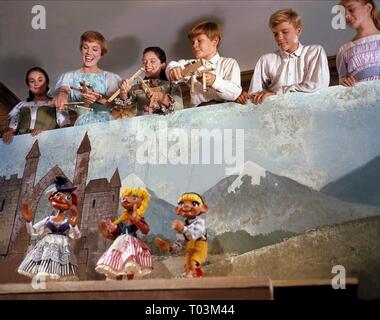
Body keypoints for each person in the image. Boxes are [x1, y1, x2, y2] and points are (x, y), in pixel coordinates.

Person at [237, 8, 330, 105]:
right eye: (275, 34)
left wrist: (277, 94)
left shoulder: (315, 52)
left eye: (285, 32)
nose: (279, 38)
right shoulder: (265, 60)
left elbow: (317, 86)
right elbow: (254, 95)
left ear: (298, 30)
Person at [51, 31, 121, 125]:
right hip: (76, 127)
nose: (89, 52)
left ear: (102, 52)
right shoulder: (68, 76)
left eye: (95, 49)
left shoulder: (110, 77)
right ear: (81, 49)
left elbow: (113, 103)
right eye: (85, 47)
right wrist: (62, 96)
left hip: (106, 126)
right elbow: (64, 90)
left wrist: (97, 98)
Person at [17, 176, 81, 281]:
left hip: (62, 247)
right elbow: (32, 232)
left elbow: (76, 236)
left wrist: (73, 225)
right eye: (59, 195)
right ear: (52, 197)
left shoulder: (68, 220)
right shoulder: (48, 219)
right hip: (47, 247)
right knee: (44, 274)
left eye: (68, 198)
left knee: (58, 275)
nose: (62, 199)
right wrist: (28, 221)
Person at [166, 21, 242, 107]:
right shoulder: (191, 64)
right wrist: (173, 69)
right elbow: (172, 65)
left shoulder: (229, 64)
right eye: (192, 42)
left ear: (215, 41)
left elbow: (235, 93)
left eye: (199, 41)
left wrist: (215, 81)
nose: (194, 45)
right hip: (198, 116)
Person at [95, 187, 153, 280]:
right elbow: (118, 233)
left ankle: (129, 283)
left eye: (133, 198)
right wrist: (113, 229)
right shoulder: (123, 219)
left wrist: (136, 220)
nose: (126, 199)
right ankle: (119, 283)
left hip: (131, 242)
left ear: (141, 202)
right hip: (120, 241)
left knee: (130, 262)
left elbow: (145, 230)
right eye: (124, 197)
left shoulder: (138, 217)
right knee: (118, 261)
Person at [2, 67, 69, 144]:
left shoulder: (56, 103)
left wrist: (45, 134)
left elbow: (65, 128)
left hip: (47, 143)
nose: (36, 84)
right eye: (32, 81)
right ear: (28, 85)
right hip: (22, 145)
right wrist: (8, 134)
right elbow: (11, 130)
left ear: (47, 82)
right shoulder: (21, 105)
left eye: (40, 80)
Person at [155, 192, 208, 278]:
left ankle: (199, 277)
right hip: (189, 248)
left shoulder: (200, 223)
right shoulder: (184, 225)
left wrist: (183, 229)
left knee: (193, 263)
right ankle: (189, 282)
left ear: (203, 208)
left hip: (200, 247)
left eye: (194, 203)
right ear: (177, 210)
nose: (186, 206)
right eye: (181, 204)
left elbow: (194, 235)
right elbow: (180, 242)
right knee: (187, 266)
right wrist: (170, 248)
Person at [119, 47, 183, 115]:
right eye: (144, 62)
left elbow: (179, 109)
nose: (147, 64)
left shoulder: (172, 86)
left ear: (163, 65)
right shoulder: (136, 88)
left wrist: (161, 97)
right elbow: (126, 109)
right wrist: (123, 93)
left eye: (152, 61)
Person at [336, 0, 380, 86]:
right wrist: (346, 83)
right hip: (362, 97)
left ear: (368, 8)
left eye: (351, 9)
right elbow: (342, 81)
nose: (346, 15)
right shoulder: (345, 50)